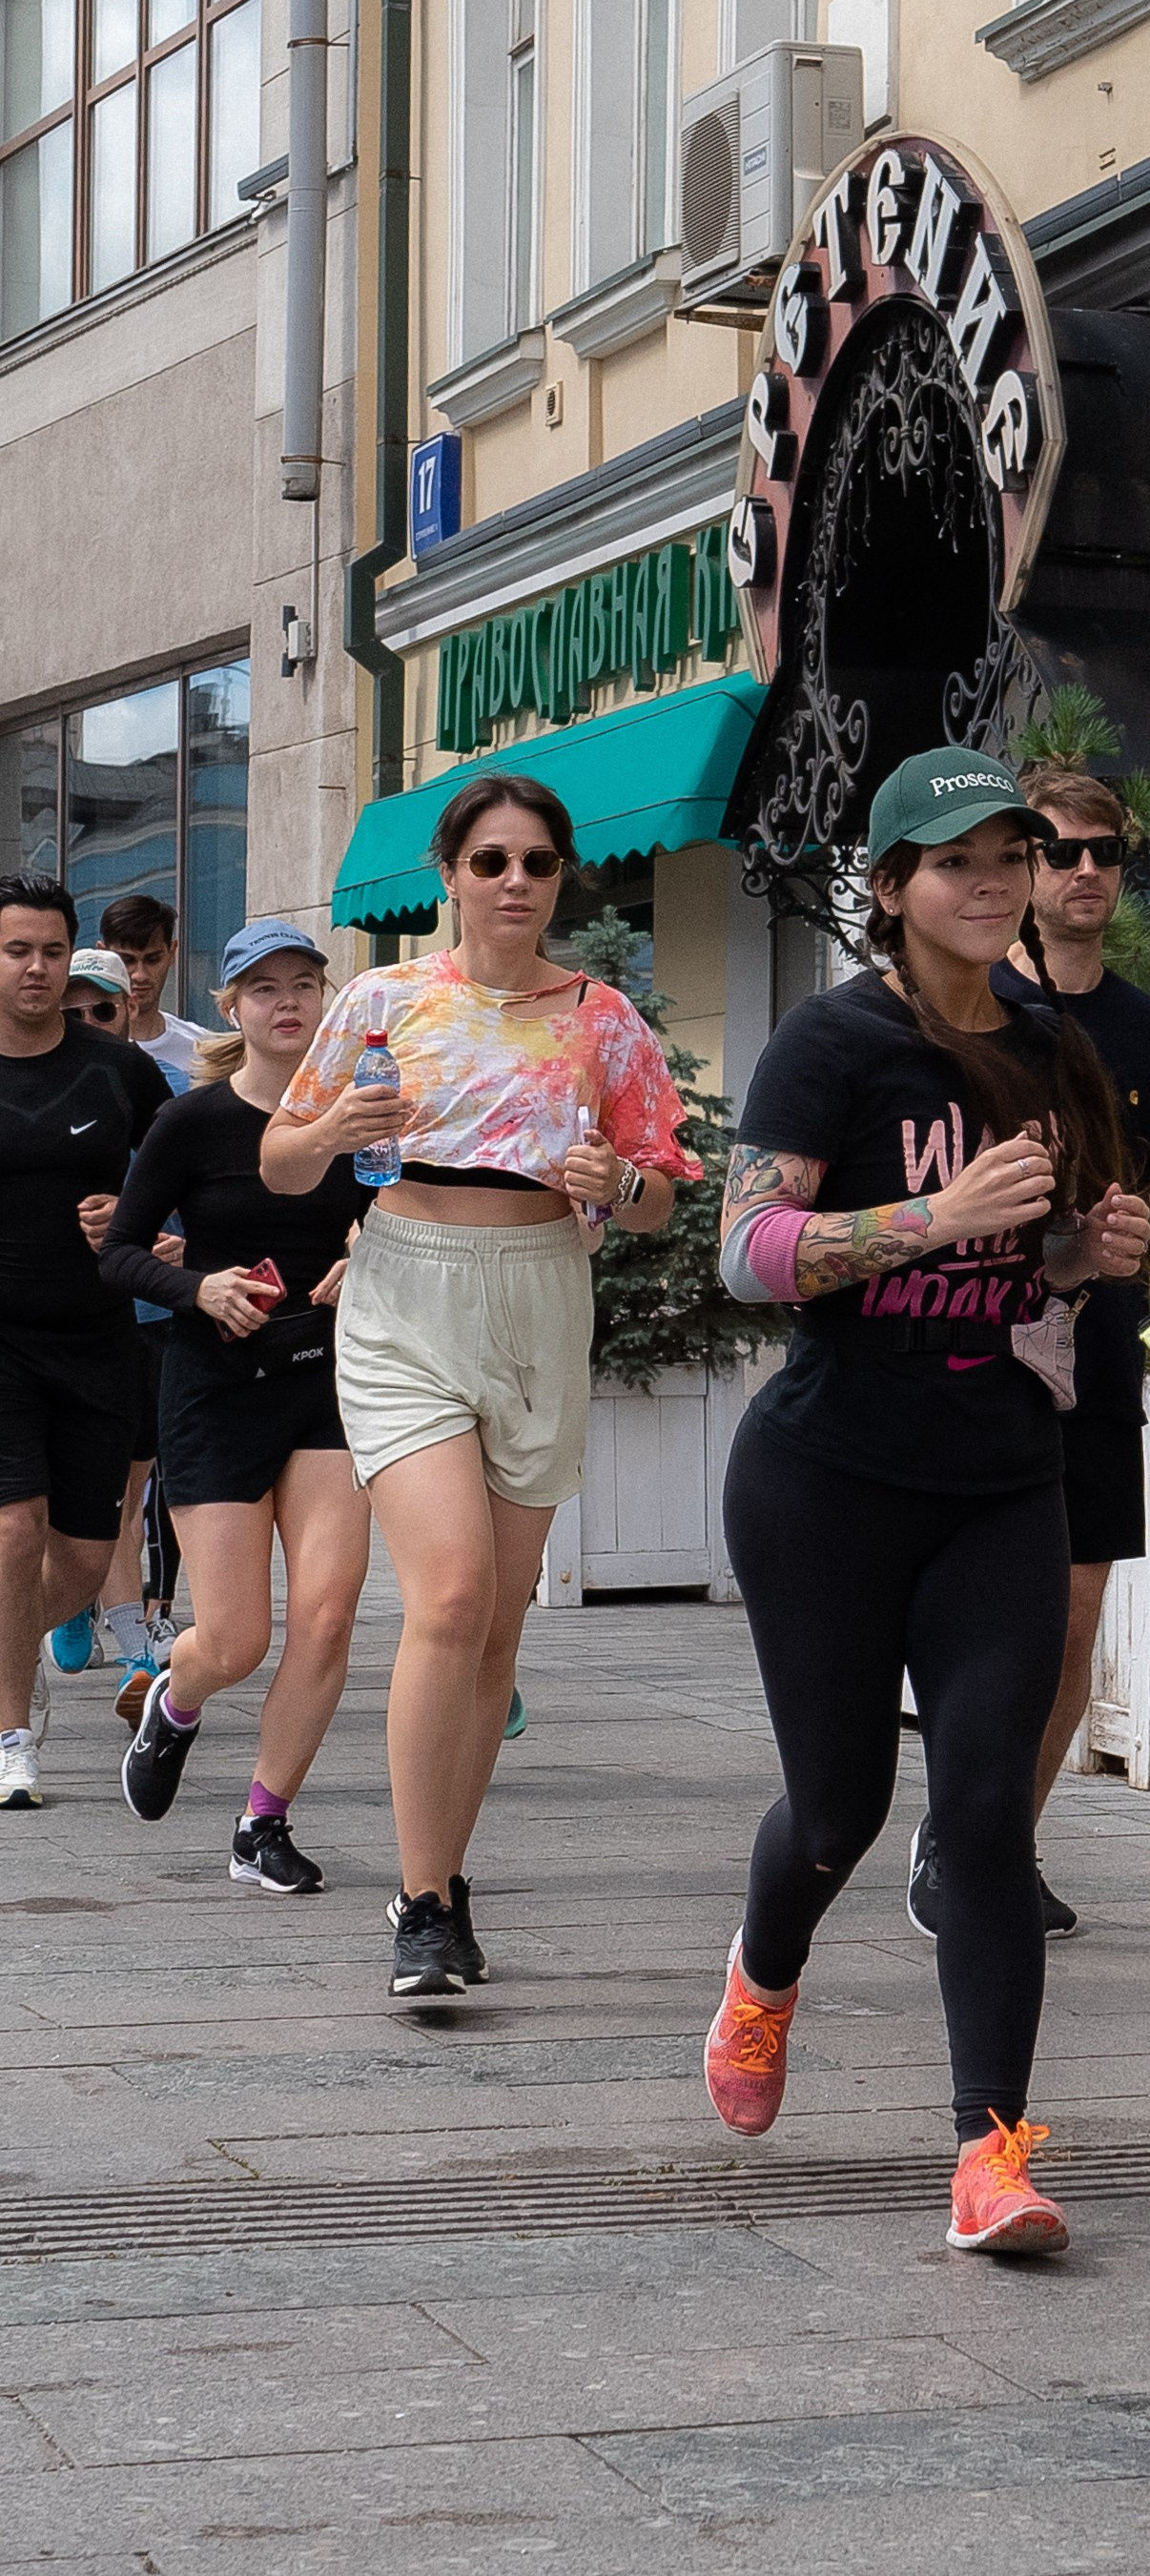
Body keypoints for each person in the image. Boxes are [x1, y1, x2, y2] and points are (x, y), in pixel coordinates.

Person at [710, 746, 1150, 2255]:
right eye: (955, 861)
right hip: (825, 1480)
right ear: (890, 889)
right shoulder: (831, 1044)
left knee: (982, 1817)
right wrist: (927, 1217)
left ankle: (991, 2152)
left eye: (1010, 856)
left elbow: (1036, 1263)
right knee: (837, 1805)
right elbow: (746, 1250)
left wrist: (1089, 1252)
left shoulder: (1047, 1046)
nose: (992, 883)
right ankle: (764, 1976)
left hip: (999, 1480)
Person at [262, 781, 688, 1996]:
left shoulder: (606, 1021)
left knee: (496, 1625)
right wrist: (340, 1122)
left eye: (540, 863)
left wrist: (618, 1180)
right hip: (405, 1293)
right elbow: (284, 1165)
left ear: (563, 879)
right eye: (491, 859)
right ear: (449, 872)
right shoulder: (383, 1002)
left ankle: (445, 1877)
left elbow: (663, 1190)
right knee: (447, 1596)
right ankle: (419, 1902)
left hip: (544, 1291)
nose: (516, 882)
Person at [903, 760, 1150, 1944]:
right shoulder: (954, 1015)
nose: (1086, 871)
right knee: (974, 1623)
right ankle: (958, 1824)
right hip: (949, 1357)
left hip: (1091, 1366)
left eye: (1106, 853)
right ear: (1021, 871)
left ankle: (988, 1846)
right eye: (1061, 851)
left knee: (1070, 1624)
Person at [103, 924, 369, 1892]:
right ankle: (177, 1698)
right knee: (236, 1639)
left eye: (304, 983)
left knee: (330, 1618)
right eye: (264, 988)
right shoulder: (193, 1121)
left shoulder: (356, 1117)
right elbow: (121, 1249)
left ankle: (263, 1822)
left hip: (326, 1383)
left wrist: (364, 1253)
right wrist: (200, 1288)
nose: (286, 1001)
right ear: (232, 1008)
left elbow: (401, 1221)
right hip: (214, 1389)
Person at [0, 879, 170, 1808]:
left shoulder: (114, 1071)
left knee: (76, 1556)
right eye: (16, 949)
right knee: (11, 1526)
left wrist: (136, 1221)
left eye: (50, 951)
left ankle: (4, 1654)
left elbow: (183, 1163)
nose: (35, 967)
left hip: (99, 1339)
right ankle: (10, 1734)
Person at [48, 949, 195, 1726]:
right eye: (72, 1012)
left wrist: (174, 1245)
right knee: (67, 1502)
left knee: (132, 1491)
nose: (87, 1025)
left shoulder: (159, 1091)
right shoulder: (32, 1087)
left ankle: (132, 1647)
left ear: (130, 1012)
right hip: (56, 1324)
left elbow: (202, 1197)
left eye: (101, 1010)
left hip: (152, 1317)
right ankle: (70, 1596)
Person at [101, 892, 203, 1083]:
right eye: (127, 960)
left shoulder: (203, 1049)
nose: (140, 975)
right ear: (103, 955)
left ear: (172, 953)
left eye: (152, 959)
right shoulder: (79, 1046)